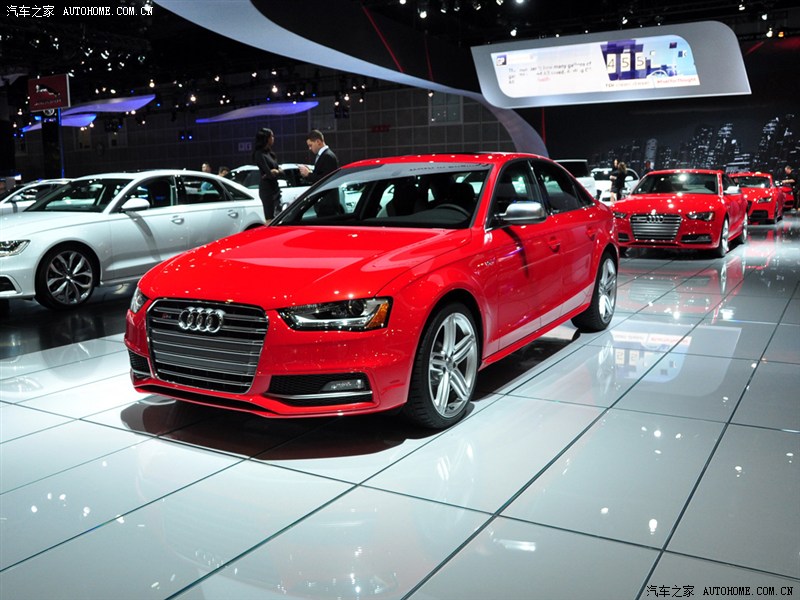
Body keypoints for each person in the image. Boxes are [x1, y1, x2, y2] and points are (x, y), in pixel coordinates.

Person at [252, 127, 283, 219]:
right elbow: (270, 174)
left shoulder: (270, 153)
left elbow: (281, 172)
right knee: (270, 218)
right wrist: (273, 172)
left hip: (276, 189)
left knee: (279, 217)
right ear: (266, 138)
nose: (273, 138)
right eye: (272, 136)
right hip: (267, 191)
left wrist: (275, 171)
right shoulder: (259, 154)